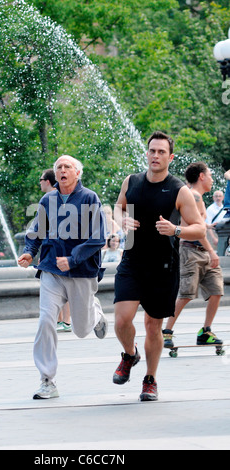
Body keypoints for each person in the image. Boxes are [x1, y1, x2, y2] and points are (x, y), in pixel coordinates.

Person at [113, 131, 205, 402]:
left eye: (161, 152)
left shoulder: (180, 191)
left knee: (154, 326)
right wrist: (122, 221)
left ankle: (150, 379)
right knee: (121, 320)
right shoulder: (131, 182)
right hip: (131, 261)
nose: (155, 156)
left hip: (163, 267)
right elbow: (118, 208)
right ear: (147, 153)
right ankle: (130, 354)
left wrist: (176, 229)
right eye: (152, 151)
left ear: (170, 157)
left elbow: (199, 228)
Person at [18, 154, 108, 399]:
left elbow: (99, 238)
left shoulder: (90, 198)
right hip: (51, 270)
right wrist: (29, 252)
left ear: (77, 173)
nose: (62, 170)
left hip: (81, 272)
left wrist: (73, 258)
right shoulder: (48, 199)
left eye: (68, 166)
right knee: (46, 319)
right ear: (55, 174)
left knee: (81, 330)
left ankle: (95, 314)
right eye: (59, 167)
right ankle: (47, 380)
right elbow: (36, 230)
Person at [163, 162, 224, 348]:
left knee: (216, 291)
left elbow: (195, 223)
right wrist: (212, 250)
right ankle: (167, 331)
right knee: (186, 294)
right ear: (202, 177)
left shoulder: (198, 197)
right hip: (192, 251)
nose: (213, 180)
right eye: (211, 176)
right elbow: (193, 229)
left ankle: (205, 331)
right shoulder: (194, 196)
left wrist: (207, 228)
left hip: (203, 251)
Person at [39, 168, 72, 332]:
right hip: (54, 247)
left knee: (63, 284)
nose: (39, 183)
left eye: (40, 179)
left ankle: (65, 321)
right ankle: (61, 320)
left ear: (47, 181)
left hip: (60, 247)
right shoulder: (49, 199)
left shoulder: (56, 198)